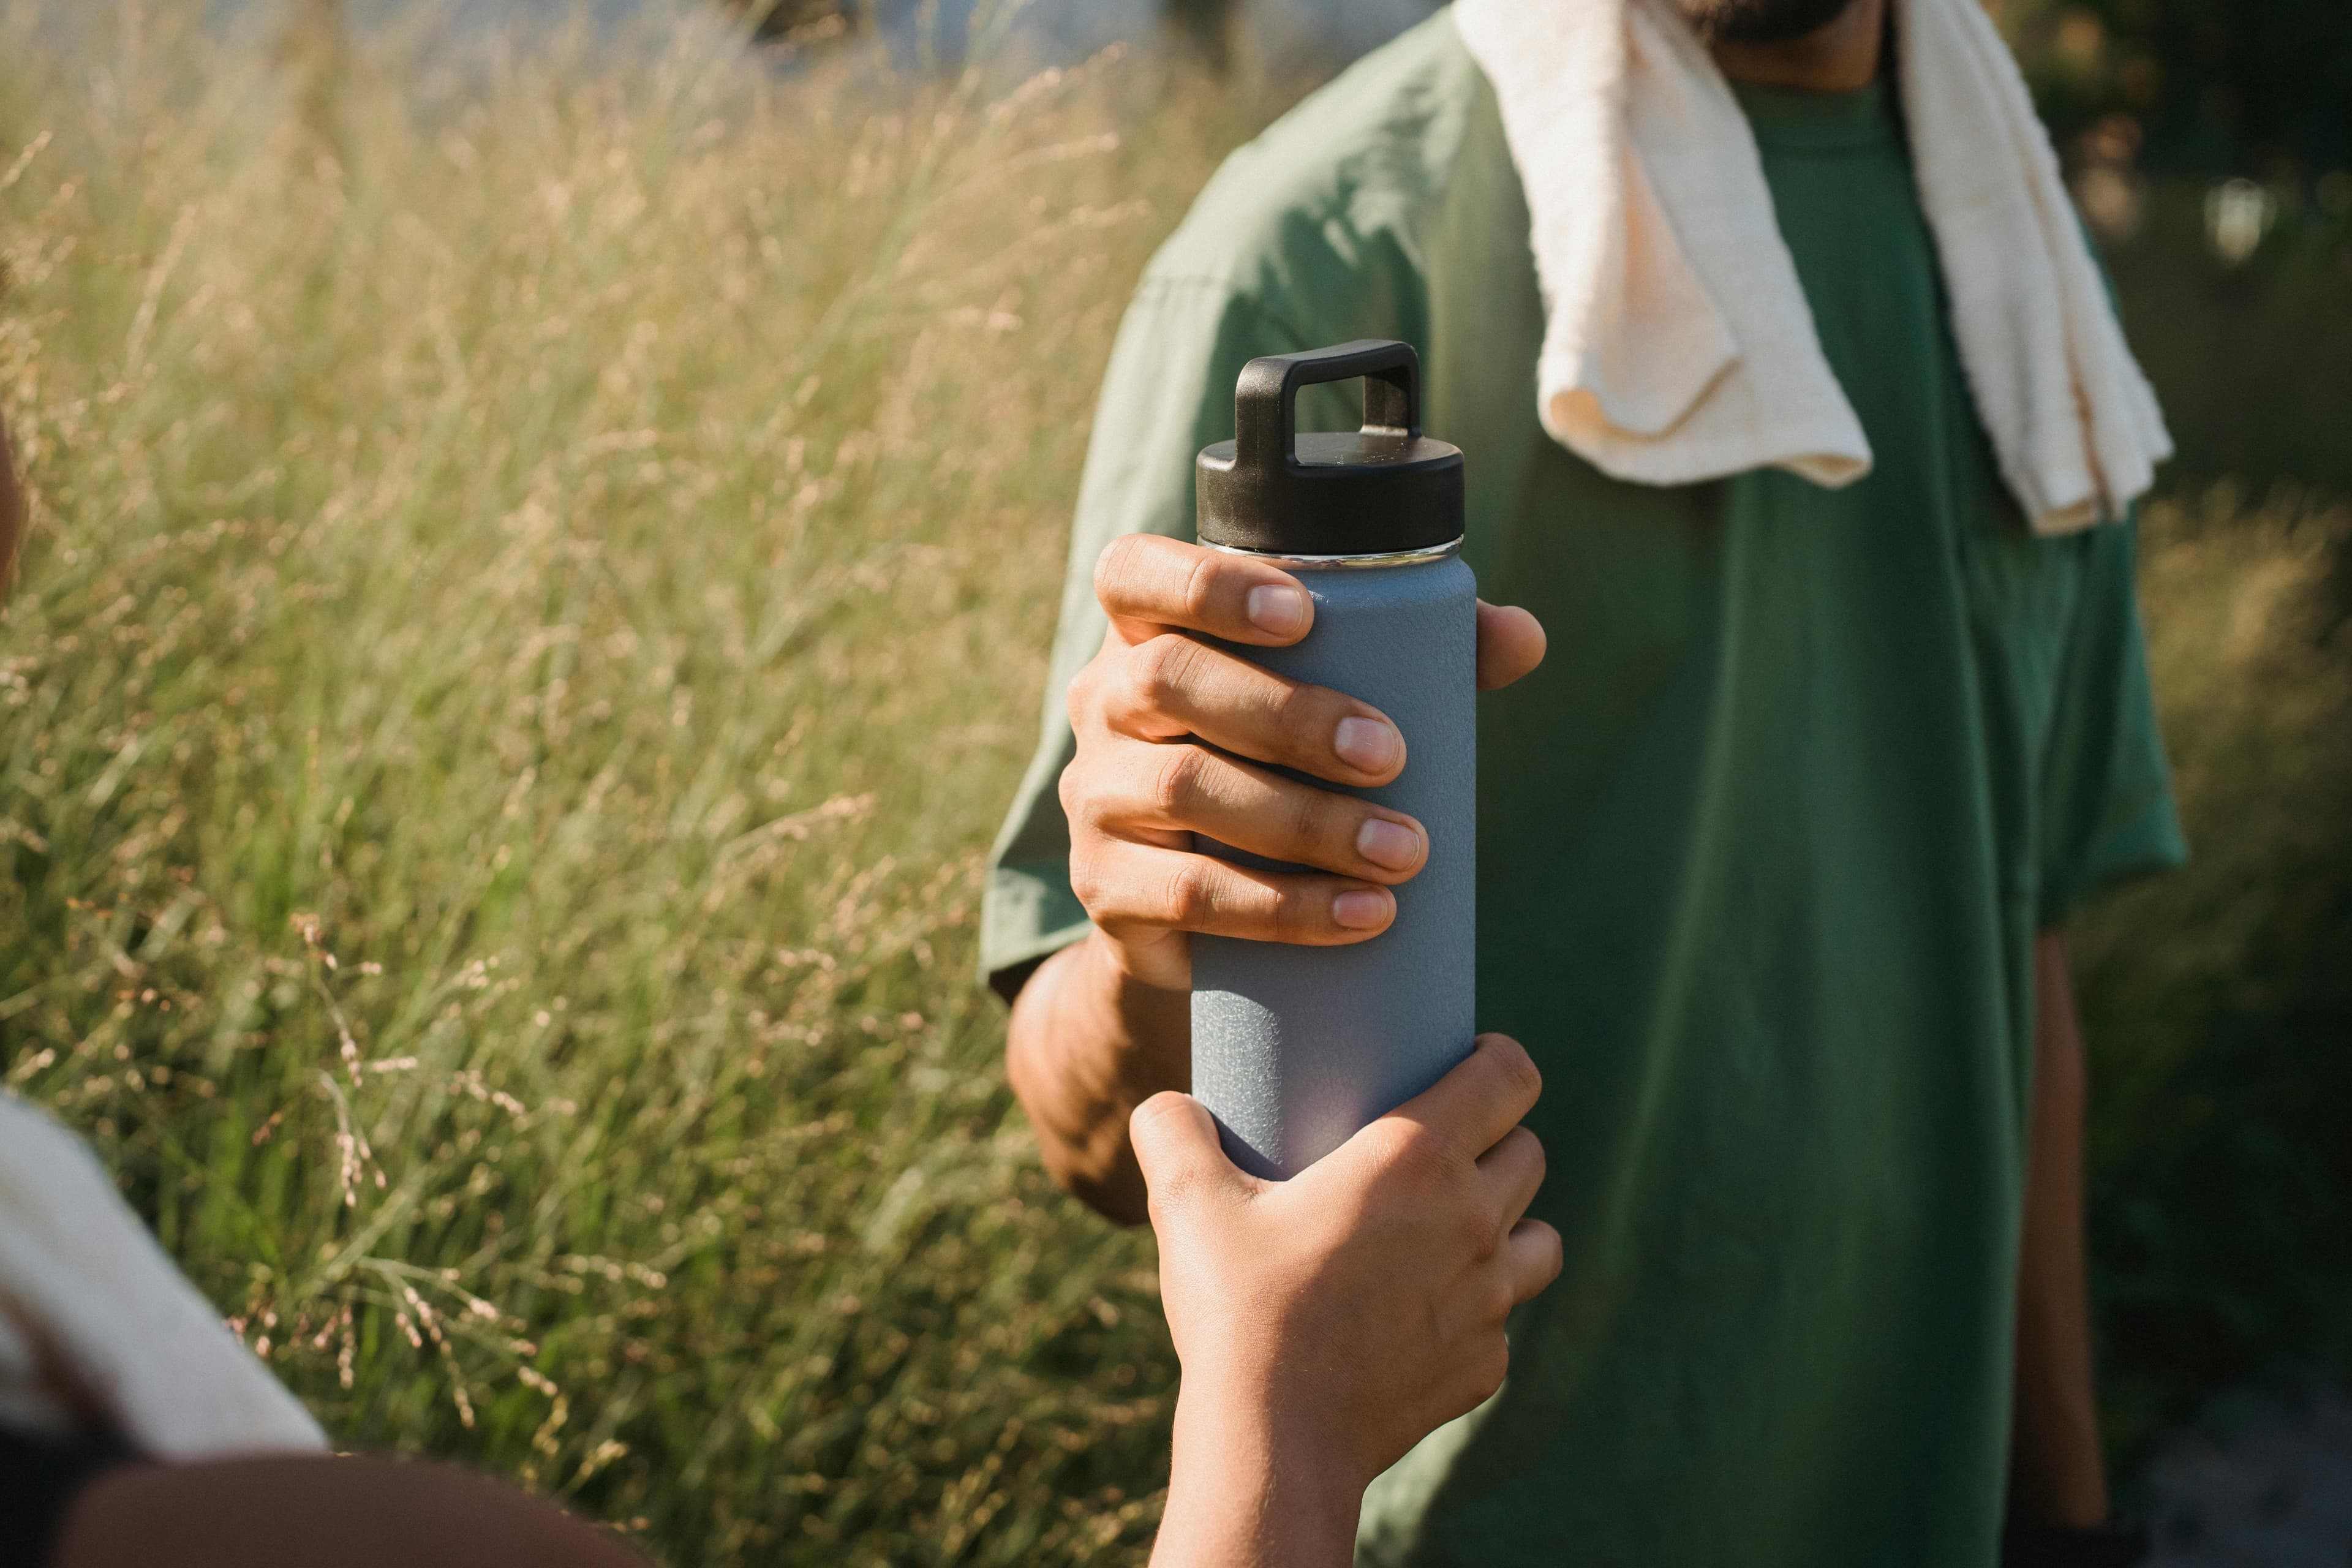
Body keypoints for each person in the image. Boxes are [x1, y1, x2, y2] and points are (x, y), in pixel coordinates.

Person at [986, 1, 2186, 1564]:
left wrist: (2069, 1518)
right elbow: (1091, 1134)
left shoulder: (2019, 264)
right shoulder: (1324, 252)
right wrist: (1154, 945)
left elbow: (2017, 952)